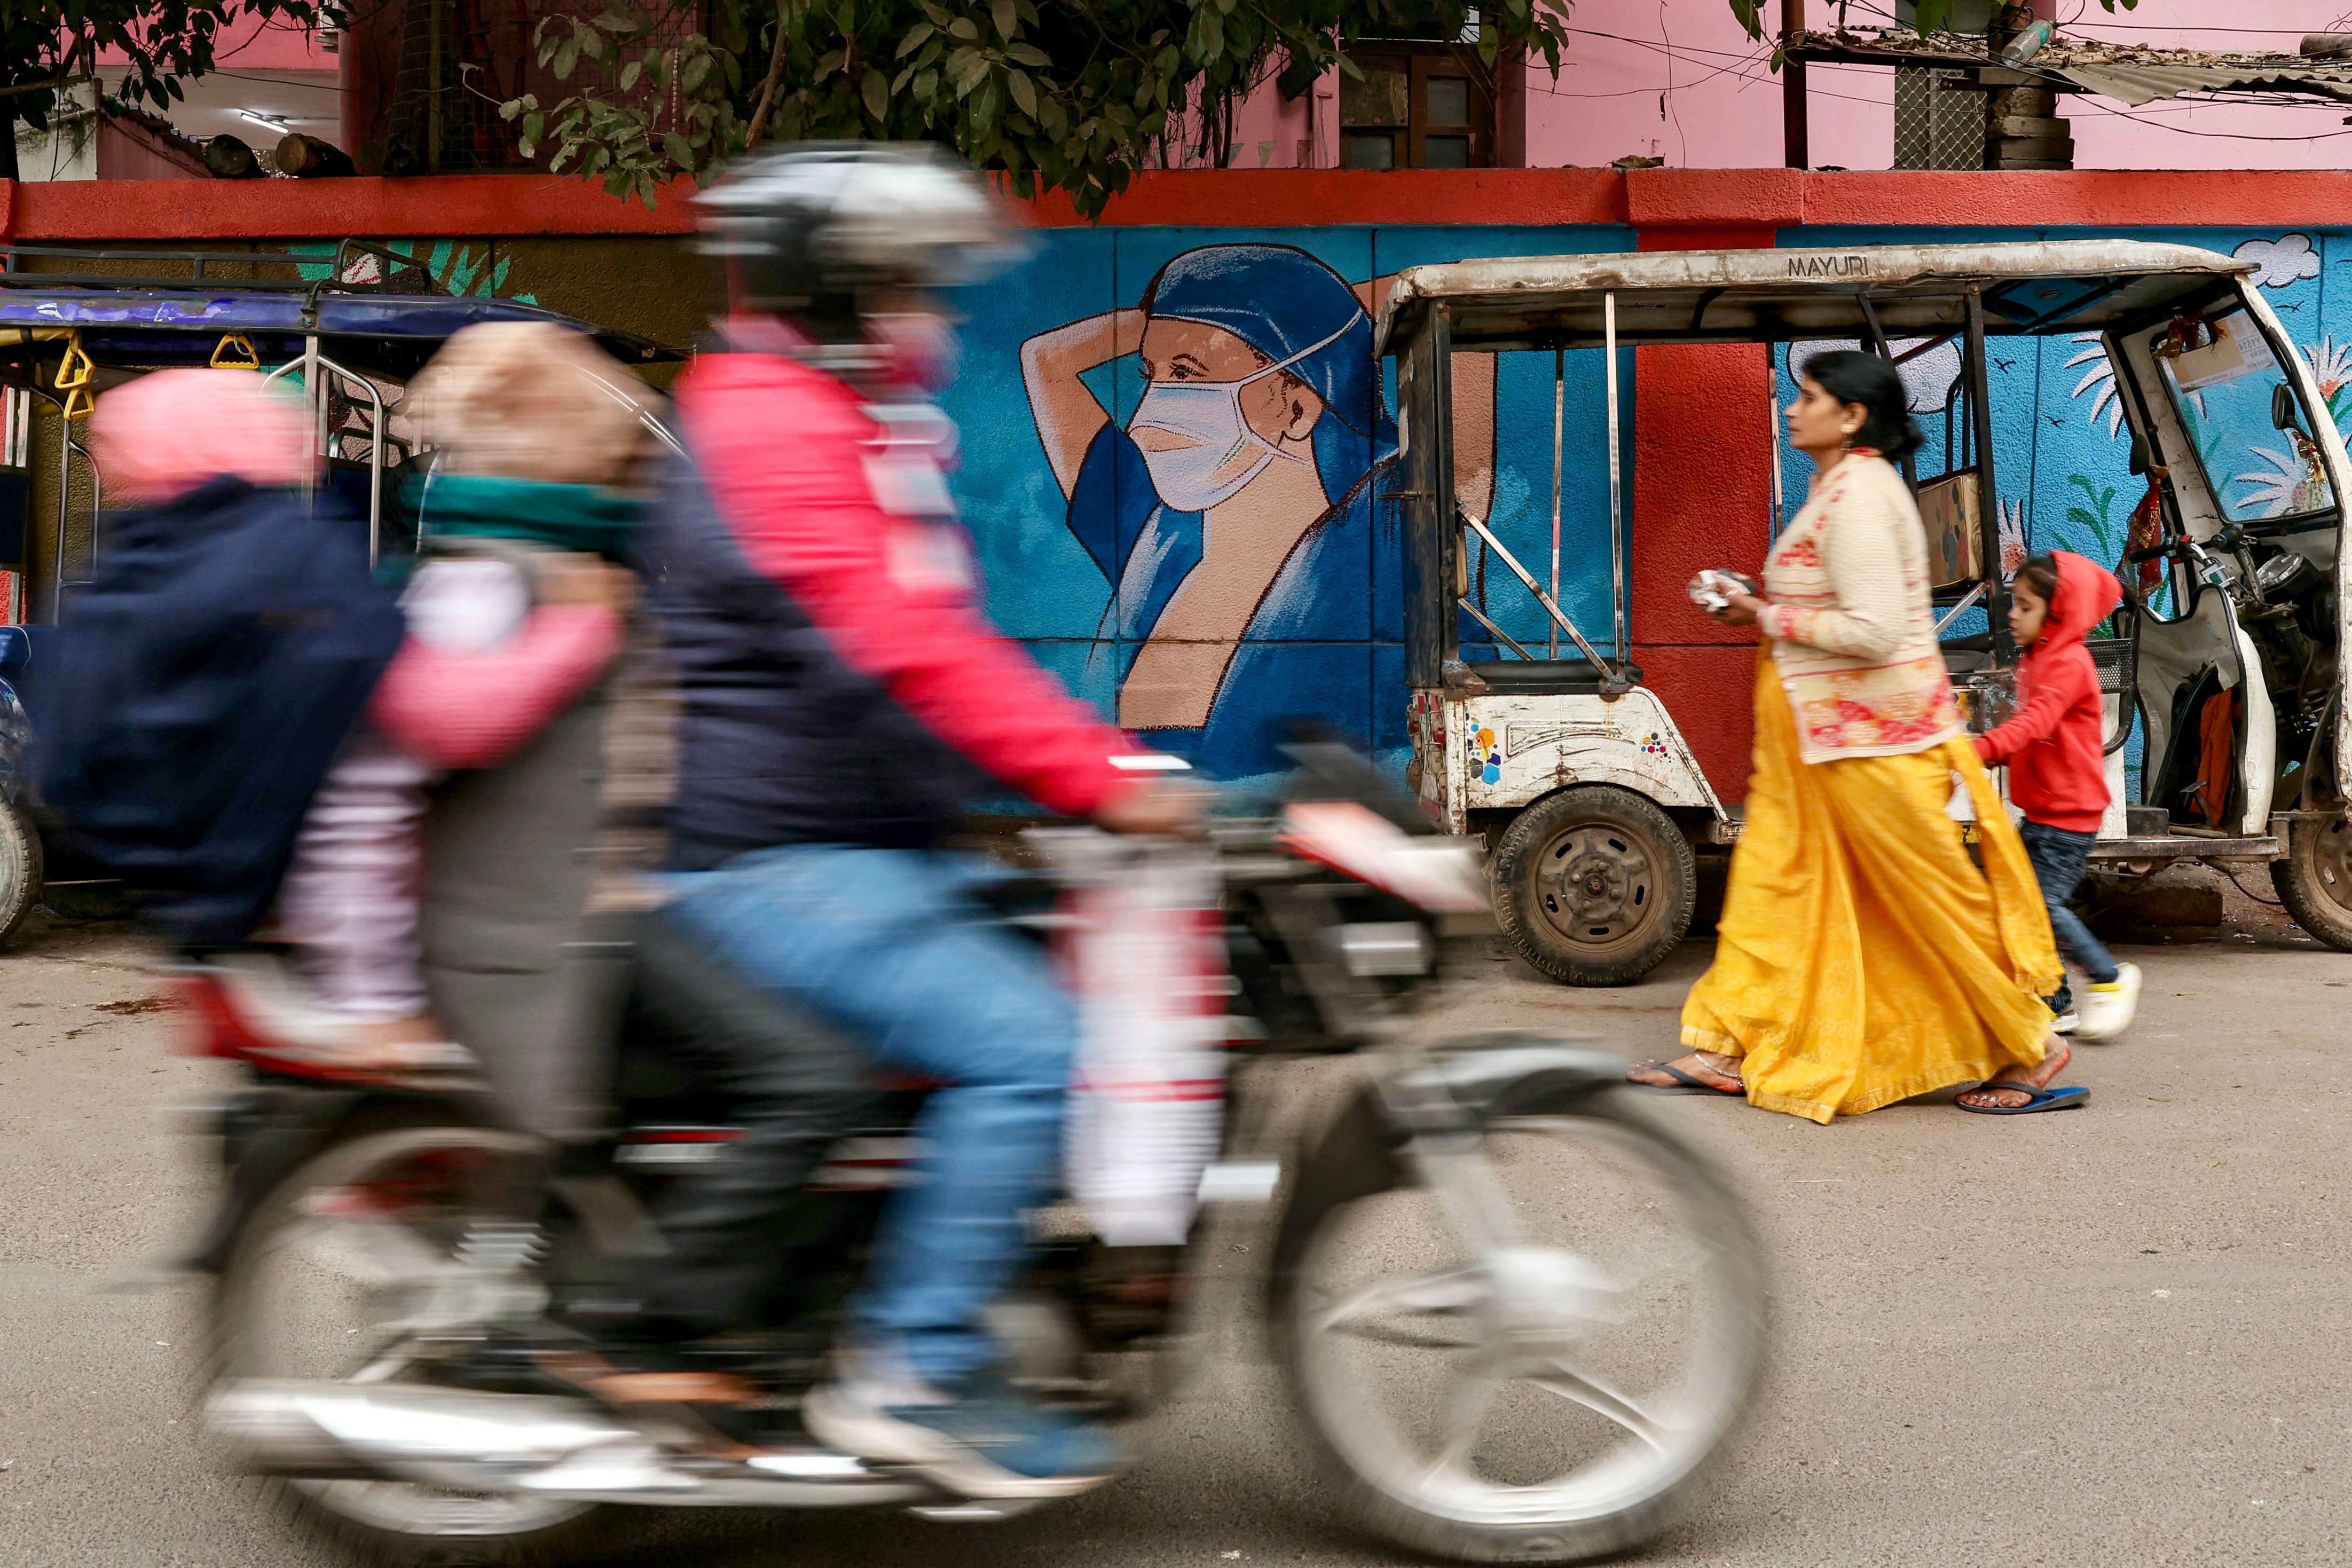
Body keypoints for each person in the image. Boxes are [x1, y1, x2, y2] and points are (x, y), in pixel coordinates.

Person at [643, 144, 1201, 1499]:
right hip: (774, 863)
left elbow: (937, 651)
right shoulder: (776, 427)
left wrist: (1081, 779)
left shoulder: (838, 419)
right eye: (908, 286)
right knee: (1028, 1044)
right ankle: (912, 1363)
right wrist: (1105, 778)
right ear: (834, 289)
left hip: (865, 848)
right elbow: (907, 651)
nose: (937, 317)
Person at [1626, 350, 2081, 1120]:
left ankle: (2034, 1048)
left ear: (1851, 417)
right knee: (1778, 893)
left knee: (1926, 902)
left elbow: (1873, 632)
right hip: (1823, 747)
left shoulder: (1863, 497)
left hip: (1877, 746)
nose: (1790, 408)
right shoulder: (1836, 489)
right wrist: (1757, 600)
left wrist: (1761, 616)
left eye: (1807, 397)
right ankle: (1729, 1048)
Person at [265, 323, 643, 1079]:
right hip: (515, 956)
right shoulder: (498, 583)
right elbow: (369, 798)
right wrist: (374, 995)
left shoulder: (540, 567)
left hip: (566, 925)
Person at [1017, 244, 1402, 781]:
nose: (1151, 407)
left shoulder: (1383, 532)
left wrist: (1319, 315)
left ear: (1297, 405)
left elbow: (1451, 314)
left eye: (1186, 372)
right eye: (1150, 372)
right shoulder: (1153, 531)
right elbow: (1046, 359)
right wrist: (1185, 308)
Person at [1973, 551, 2142, 1043]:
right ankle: (2056, 1004)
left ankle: (2109, 980)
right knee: (2018, 902)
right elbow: (2036, 738)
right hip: (2044, 810)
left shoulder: (2067, 662)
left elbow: (2034, 725)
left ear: (2057, 611)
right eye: (2013, 603)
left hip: (2068, 817)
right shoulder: (2040, 658)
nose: (2012, 614)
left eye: (2024, 606)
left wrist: (1981, 749)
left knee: (2041, 906)